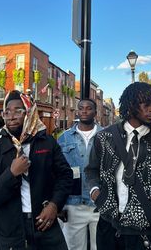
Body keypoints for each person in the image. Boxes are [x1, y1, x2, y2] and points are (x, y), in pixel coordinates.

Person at [85, 82, 151, 250]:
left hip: (147, 234)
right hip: (107, 229)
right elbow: (91, 170)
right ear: (131, 104)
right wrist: (96, 193)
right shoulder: (104, 138)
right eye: (147, 103)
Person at [0, 90, 73, 250]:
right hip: (11, 233)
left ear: (29, 112)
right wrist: (11, 173)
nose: (11, 116)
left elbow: (65, 176)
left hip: (46, 228)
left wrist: (55, 205)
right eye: (7, 112)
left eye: (18, 111)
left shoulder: (47, 143)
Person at [58, 98, 103, 250]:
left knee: (102, 246)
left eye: (88, 108)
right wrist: (59, 203)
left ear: (95, 113)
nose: (84, 111)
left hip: (100, 205)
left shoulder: (106, 136)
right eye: (81, 108)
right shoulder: (64, 138)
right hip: (73, 205)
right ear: (77, 111)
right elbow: (57, 173)